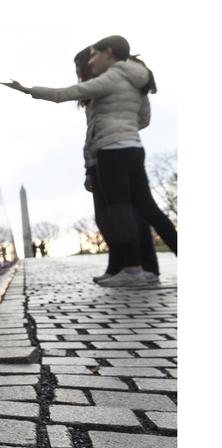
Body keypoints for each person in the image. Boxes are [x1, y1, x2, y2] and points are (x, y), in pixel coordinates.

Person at [3, 35, 177, 287]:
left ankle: (133, 272)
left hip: (111, 151)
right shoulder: (137, 79)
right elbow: (145, 119)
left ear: (108, 53)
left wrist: (27, 89)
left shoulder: (112, 76)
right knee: (149, 208)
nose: (91, 60)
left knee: (119, 212)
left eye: (94, 54)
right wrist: (125, 127)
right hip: (133, 147)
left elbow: (67, 93)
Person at [73, 47, 160, 284]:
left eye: (80, 64)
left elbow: (142, 118)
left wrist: (120, 134)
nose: (80, 69)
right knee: (109, 217)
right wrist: (89, 167)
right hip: (101, 155)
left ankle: (142, 267)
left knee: (130, 214)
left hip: (114, 153)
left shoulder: (110, 83)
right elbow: (92, 132)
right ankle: (120, 266)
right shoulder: (97, 90)